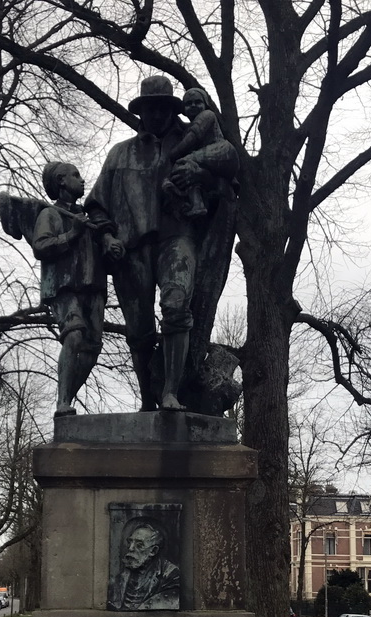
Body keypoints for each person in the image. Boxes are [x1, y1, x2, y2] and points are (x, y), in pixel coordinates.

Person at [85, 76, 238, 413]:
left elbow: (228, 184)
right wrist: (108, 235)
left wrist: (200, 176)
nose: (154, 114)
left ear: (172, 108)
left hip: (178, 236)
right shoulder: (120, 153)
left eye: (161, 107)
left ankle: (171, 392)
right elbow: (96, 205)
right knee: (138, 329)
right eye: (148, 108)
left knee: (176, 305)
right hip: (131, 248)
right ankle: (146, 400)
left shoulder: (195, 140)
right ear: (141, 111)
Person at [32, 161, 121, 417]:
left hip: (93, 287)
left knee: (92, 348)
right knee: (73, 335)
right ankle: (62, 401)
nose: (82, 180)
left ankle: (66, 398)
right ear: (61, 181)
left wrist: (112, 249)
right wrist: (72, 234)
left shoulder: (88, 217)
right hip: (64, 287)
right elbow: (41, 246)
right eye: (75, 175)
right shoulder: (50, 214)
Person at [163, 88, 225, 220]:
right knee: (189, 170)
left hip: (219, 152)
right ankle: (197, 204)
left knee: (182, 163)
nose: (193, 106)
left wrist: (174, 154)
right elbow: (184, 127)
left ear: (205, 105)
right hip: (204, 159)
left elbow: (191, 139)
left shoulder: (207, 115)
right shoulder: (188, 127)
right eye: (188, 103)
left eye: (198, 102)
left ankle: (173, 185)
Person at [107, 518, 180, 611]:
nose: (130, 548)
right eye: (130, 542)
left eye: (139, 545)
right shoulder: (120, 577)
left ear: (153, 551)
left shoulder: (171, 576)